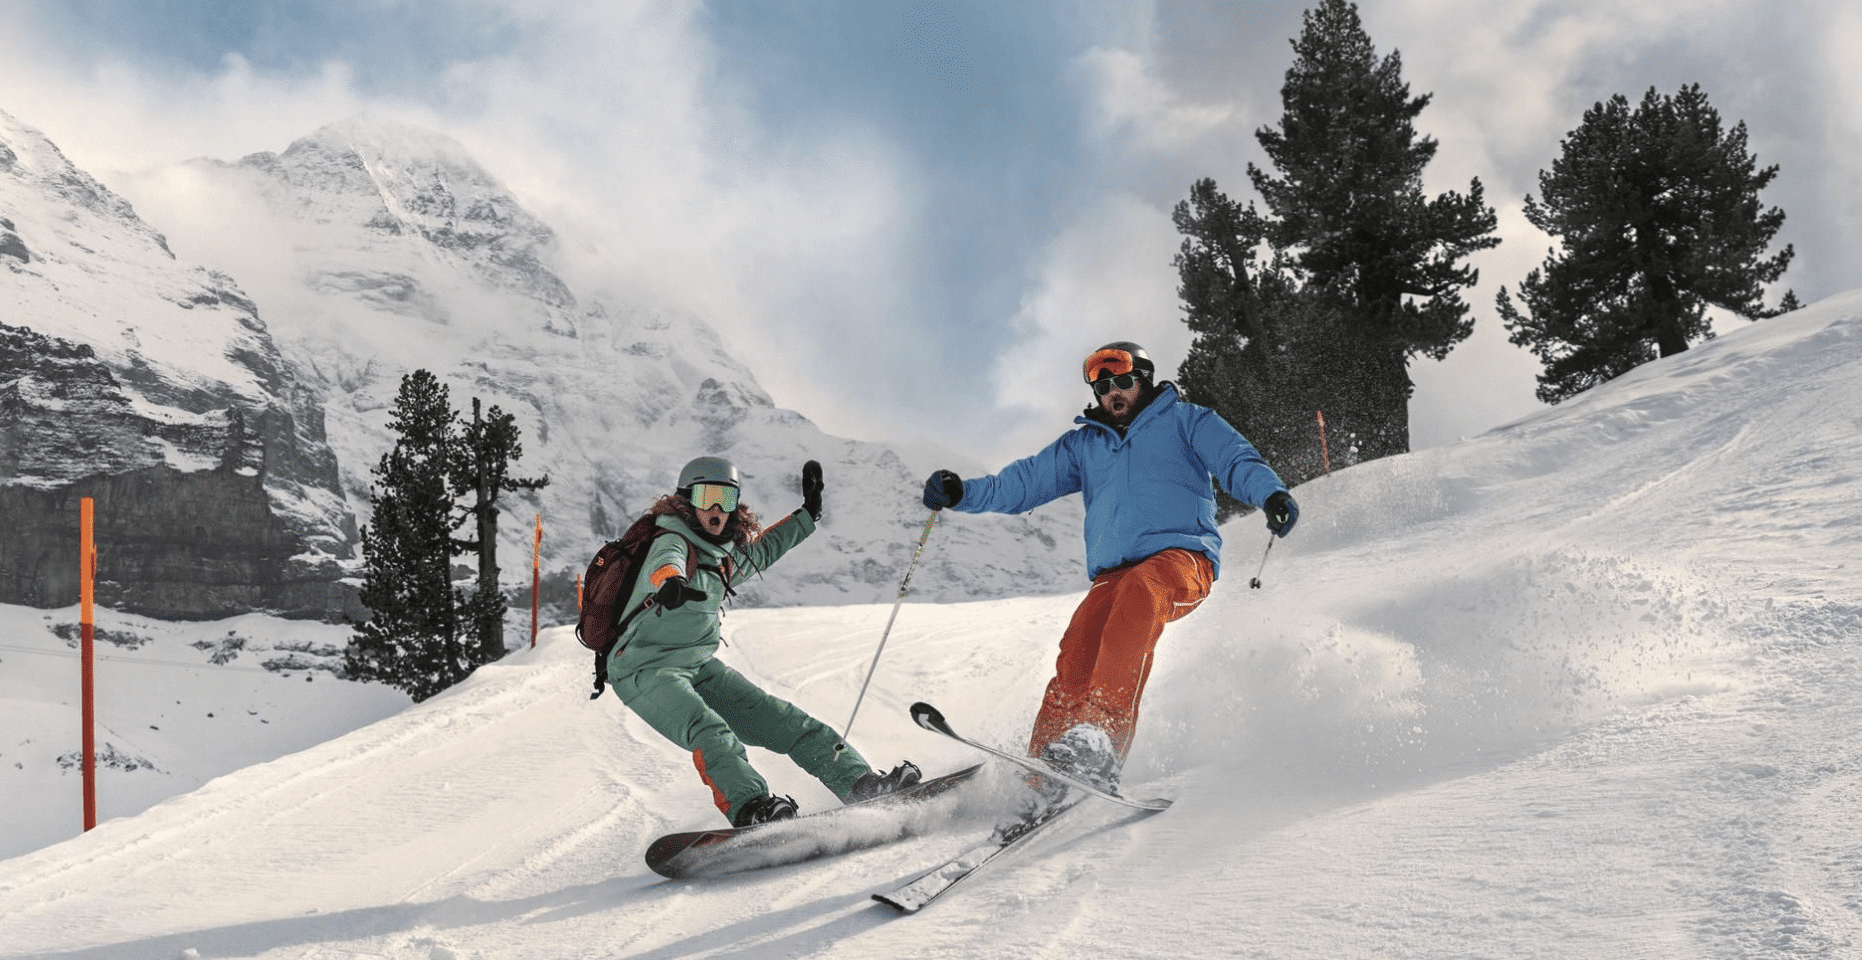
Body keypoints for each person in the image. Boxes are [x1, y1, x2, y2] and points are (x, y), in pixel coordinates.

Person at [921, 341, 1298, 824]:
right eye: (1102, 386)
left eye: (1122, 381)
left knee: (1141, 594)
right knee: (1079, 644)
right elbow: (1022, 483)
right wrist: (960, 493)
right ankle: (1044, 769)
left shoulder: (1187, 422)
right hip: (1111, 575)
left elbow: (1235, 459)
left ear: (1143, 378)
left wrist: (1270, 494)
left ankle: (1099, 738)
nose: (1113, 392)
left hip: (1182, 559)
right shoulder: (1085, 445)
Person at [608, 455, 921, 827]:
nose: (714, 509)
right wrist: (671, 582)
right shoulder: (671, 540)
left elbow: (765, 550)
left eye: (724, 499)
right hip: (644, 667)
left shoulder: (719, 559)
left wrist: (808, 514)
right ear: (686, 500)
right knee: (709, 730)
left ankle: (861, 784)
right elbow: (666, 562)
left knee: (789, 722)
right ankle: (750, 807)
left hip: (699, 665)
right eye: (706, 496)